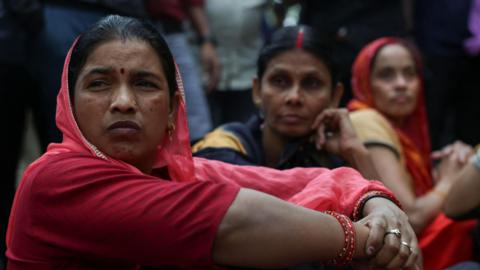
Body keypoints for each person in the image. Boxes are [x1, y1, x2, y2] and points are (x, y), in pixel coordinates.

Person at [6, 15, 420, 269]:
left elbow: (291, 182)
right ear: (68, 103)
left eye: (145, 84)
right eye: (99, 84)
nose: (123, 102)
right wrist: (368, 240)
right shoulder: (56, 180)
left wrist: (374, 200)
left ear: (173, 111)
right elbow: (236, 223)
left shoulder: (174, 170)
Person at [348, 37, 477, 270]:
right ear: (364, 82)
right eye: (386, 75)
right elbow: (411, 217)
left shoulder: (405, 129)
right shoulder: (365, 119)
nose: (401, 84)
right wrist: (449, 180)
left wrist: (456, 161)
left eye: (410, 74)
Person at [193, 26, 378, 181]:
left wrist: (355, 153)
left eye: (311, 83)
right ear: (257, 90)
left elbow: (392, 225)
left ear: (335, 97)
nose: (294, 97)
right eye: (280, 81)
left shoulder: (339, 157)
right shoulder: (219, 151)